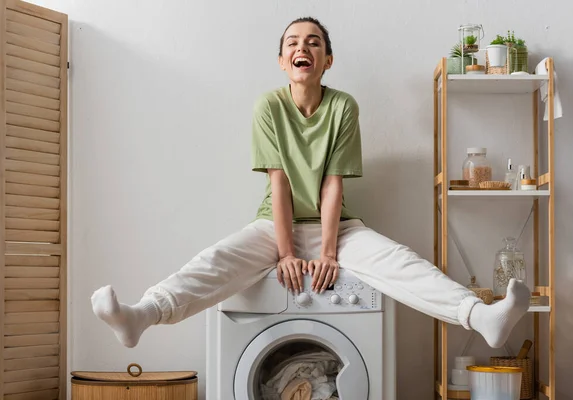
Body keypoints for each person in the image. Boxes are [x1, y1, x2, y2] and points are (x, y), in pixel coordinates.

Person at [91, 17, 530, 350]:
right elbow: (278, 184)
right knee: (215, 260)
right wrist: (285, 253)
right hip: (273, 225)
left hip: (335, 225)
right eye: (293, 43)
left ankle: (479, 315)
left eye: (313, 42)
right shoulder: (269, 106)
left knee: (401, 262)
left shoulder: (343, 107)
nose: (303, 48)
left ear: (327, 60)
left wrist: (327, 251)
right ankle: (140, 316)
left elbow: (332, 186)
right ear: (283, 61)